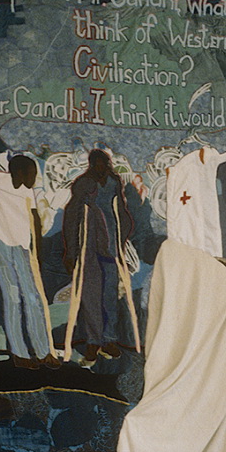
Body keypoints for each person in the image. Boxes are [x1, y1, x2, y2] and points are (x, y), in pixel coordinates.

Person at [0, 154, 60, 370]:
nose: (34, 178)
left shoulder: (26, 190)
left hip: (21, 246)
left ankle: (43, 352)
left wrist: (37, 253)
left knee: (33, 297)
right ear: (19, 173)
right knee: (13, 296)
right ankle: (19, 353)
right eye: (31, 174)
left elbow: (35, 218)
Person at [62, 148, 133, 366]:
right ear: (92, 165)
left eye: (105, 164)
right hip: (89, 245)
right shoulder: (83, 183)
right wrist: (71, 251)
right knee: (91, 294)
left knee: (109, 294)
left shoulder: (113, 182)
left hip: (110, 244)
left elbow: (121, 211)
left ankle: (109, 339)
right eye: (97, 164)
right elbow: (72, 216)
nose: (102, 168)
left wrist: (122, 239)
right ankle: (94, 341)